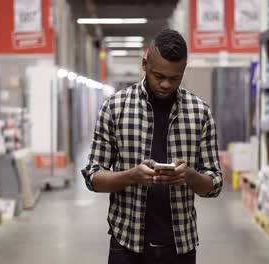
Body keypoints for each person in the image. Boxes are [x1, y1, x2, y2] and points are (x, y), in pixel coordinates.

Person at [82, 29, 223, 264]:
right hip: (126, 246)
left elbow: (214, 184)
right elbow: (93, 177)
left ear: (183, 70)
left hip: (179, 248)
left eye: (174, 78)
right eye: (159, 76)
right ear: (145, 64)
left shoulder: (200, 114)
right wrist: (132, 176)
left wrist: (189, 176)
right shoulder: (115, 108)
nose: (166, 84)